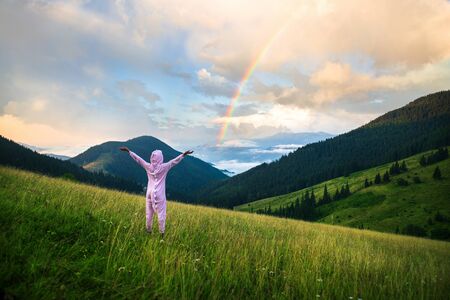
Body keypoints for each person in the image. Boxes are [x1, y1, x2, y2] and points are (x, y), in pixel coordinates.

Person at [119, 146, 193, 239]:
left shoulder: (148, 166)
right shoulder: (164, 167)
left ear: (152, 158)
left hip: (149, 193)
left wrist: (129, 151)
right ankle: (161, 235)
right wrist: (184, 154)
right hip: (159, 194)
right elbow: (174, 161)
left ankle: (148, 232)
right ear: (161, 158)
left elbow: (138, 159)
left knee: (148, 214)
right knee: (161, 214)